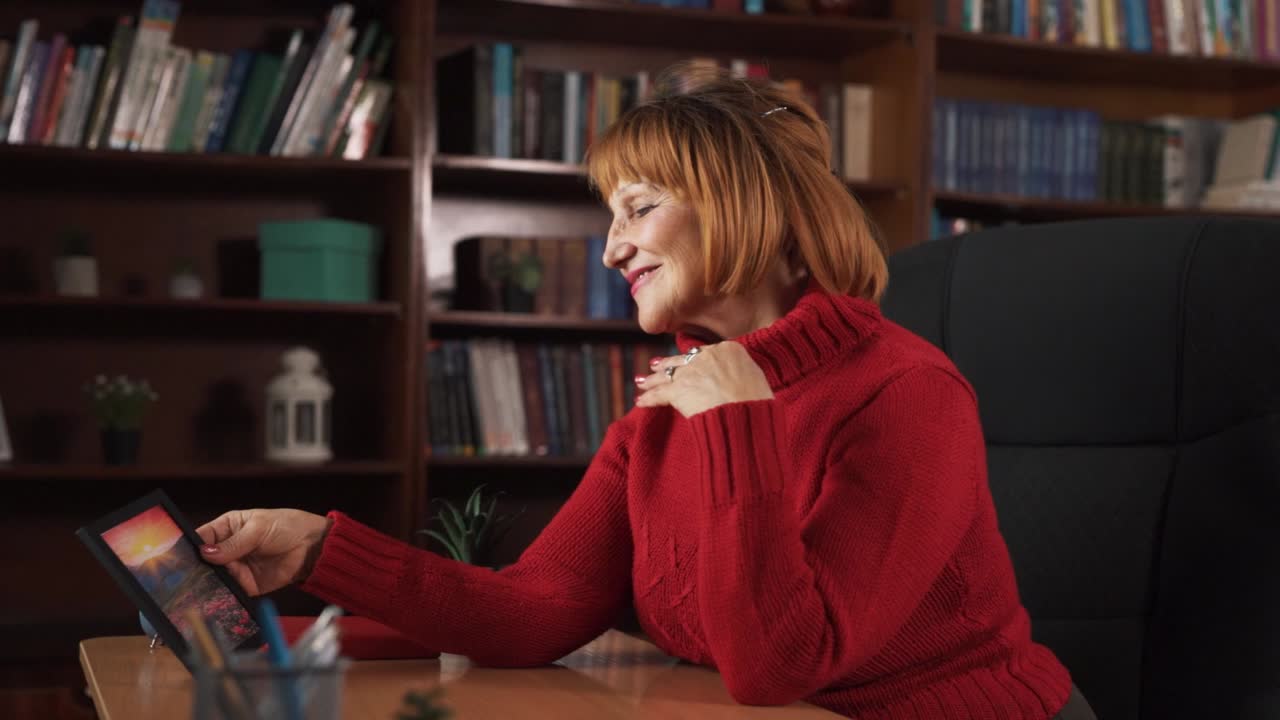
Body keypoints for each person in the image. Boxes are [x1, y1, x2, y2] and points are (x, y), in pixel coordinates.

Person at [197, 65, 1097, 719]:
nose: (610, 249)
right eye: (610, 218)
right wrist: (319, 551)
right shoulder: (666, 413)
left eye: (637, 207)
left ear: (742, 200)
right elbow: (532, 612)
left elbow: (781, 665)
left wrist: (738, 419)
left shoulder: (906, 393)